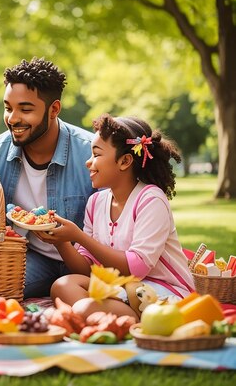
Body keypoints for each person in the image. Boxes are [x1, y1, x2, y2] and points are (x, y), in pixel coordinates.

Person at [0, 57, 95, 298]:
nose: (13, 118)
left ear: (54, 109)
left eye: (25, 109)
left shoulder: (90, 154)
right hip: (30, 259)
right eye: (7, 108)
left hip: (88, 264)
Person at [46, 114, 195, 320]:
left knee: (83, 309)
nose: (88, 162)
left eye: (96, 154)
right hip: (122, 289)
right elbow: (87, 268)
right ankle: (112, 317)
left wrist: (79, 236)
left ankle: (117, 318)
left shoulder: (151, 199)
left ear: (125, 161)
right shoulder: (96, 203)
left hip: (164, 294)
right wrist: (61, 241)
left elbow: (137, 268)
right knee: (62, 286)